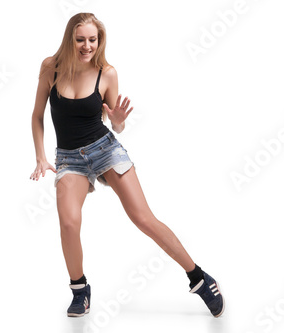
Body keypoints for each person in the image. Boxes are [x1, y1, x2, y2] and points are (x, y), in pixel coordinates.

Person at [30, 12, 224, 318]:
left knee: (143, 218)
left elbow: (115, 122)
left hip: (105, 150)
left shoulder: (106, 73)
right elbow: (37, 115)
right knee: (69, 223)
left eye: (92, 40)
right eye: (80, 39)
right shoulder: (50, 68)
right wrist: (41, 156)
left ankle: (199, 278)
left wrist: (118, 122)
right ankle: (80, 290)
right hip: (68, 158)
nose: (87, 46)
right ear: (70, 38)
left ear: (99, 40)